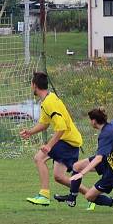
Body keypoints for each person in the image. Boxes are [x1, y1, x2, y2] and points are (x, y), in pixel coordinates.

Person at [55, 106, 113, 212]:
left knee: (90, 196)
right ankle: (72, 198)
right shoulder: (111, 125)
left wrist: (82, 174)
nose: (90, 123)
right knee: (77, 166)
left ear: (94, 121)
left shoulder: (106, 135)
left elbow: (99, 158)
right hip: (109, 159)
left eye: (90, 120)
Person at [20, 72, 84, 206]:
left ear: (34, 86)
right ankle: (92, 195)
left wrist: (49, 146)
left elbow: (61, 127)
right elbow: (45, 123)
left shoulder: (49, 102)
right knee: (59, 177)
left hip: (67, 141)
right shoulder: (48, 99)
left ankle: (44, 195)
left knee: (39, 158)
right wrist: (30, 132)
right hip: (69, 140)